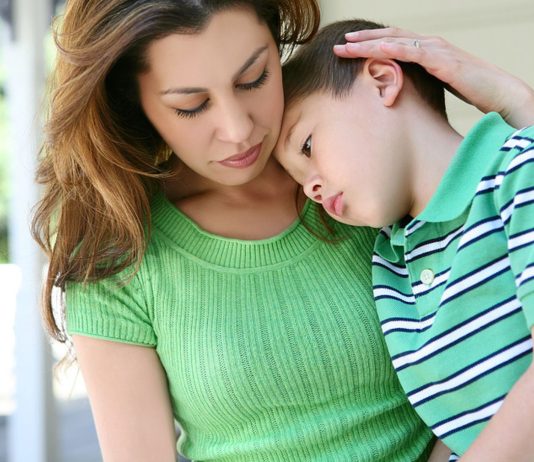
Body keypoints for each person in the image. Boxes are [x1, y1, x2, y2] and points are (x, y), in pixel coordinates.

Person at [31, 0, 534, 460]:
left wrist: (517, 103)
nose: (239, 129)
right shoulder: (119, 251)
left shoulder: (364, 184)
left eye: (254, 78)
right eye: (191, 105)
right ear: (135, 106)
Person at [274, 18, 534, 461]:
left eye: (307, 147)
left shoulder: (516, 172)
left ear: (380, 80)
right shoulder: (390, 262)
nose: (310, 189)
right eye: (299, 181)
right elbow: (453, 424)